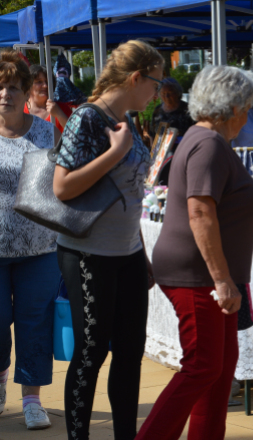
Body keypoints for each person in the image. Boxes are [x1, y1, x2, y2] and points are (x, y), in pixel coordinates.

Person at [135, 66, 253, 440]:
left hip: (208, 274)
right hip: (198, 274)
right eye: (248, 107)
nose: (249, 115)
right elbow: (200, 212)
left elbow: (248, 201)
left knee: (219, 368)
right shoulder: (208, 144)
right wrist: (222, 280)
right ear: (233, 107)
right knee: (202, 367)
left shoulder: (211, 141)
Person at [52, 40, 163, 440]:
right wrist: (115, 154)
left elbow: (130, 193)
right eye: (155, 83)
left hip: (128, 253)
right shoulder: (87, 118)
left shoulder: (127, 120)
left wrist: (143, 253)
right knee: (91, 352)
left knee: (131, 353)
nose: (157, 93)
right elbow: (62, 187)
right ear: (135, 78)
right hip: (88, 254)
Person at [0, 50, 61, 430]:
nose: (4, 93)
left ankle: (33, 399)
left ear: (24, 91)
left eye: (11, 86)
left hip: (39, 248)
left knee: (34, 321)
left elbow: (56, 186)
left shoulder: (44, 129)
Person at [24, 64, 70, 135]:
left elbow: (77, 134)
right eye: (39, 82)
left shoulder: (62, 108)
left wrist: (59, 114)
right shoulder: (20, 110)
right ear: (29, 85)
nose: (45, 85)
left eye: (47, 82)